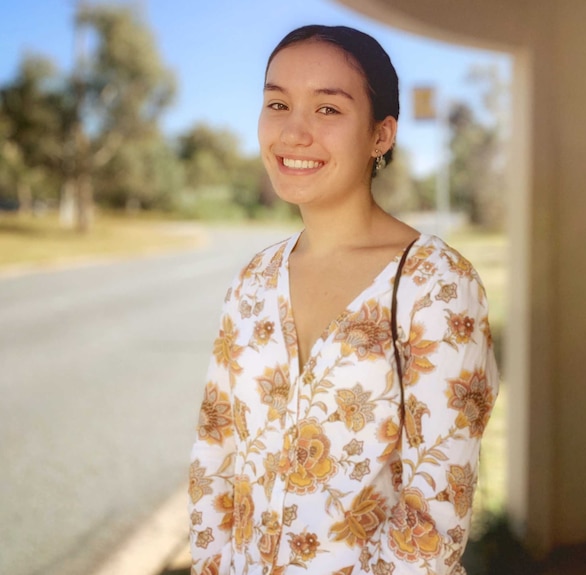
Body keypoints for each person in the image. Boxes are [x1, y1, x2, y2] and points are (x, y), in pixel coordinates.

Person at [188, 24, 498, 575]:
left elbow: (435, 516)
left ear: (382, 135)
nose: (294, 132)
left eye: (328, 110)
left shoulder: (437, 284)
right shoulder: (253, 282)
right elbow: (215, 461)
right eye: (277, 104)